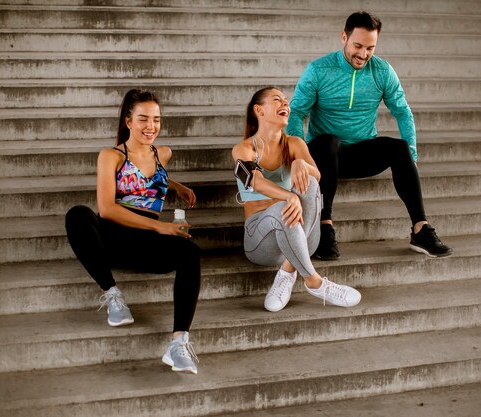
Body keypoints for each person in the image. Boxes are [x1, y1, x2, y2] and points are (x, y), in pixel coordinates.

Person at [286, 11, 453, 260]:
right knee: (330, 141)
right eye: (358, 45)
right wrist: (300, 156)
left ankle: (420, 229)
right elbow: (296, 113)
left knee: (399, 148)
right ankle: (324, 227)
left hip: (361, 152)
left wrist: (413, 156)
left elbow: (403, 112)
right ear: (344, 37)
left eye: (370, 47)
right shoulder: (318, 70)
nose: (363, 54)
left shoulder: (382, 71)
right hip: (324, 156)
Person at [65, 89, 201, 374]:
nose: (151, 126)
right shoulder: (110, 156)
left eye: (156, 119)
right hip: (114, 235)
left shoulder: (163, 153)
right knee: (78, 215)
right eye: (143, 119)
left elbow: (150, 175)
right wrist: (161, 226)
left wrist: (177, 186)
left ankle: (178, 343)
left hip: (146, 242)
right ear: (128, 121)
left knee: (190, 251)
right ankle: (112, 292)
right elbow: (106, 208)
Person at [232, 86, 361, 313]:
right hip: (261, 242)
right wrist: (288, 195)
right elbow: (255, 181)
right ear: (258, 110)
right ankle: (314, 282)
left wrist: (301, 163)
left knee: (310, 182)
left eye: (286, 100)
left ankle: (288, 270)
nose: (285, 104)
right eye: (277, 100)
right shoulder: (243, 149)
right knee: (285, 205)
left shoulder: (295, 144)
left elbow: (317, 177)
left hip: (304, 236)